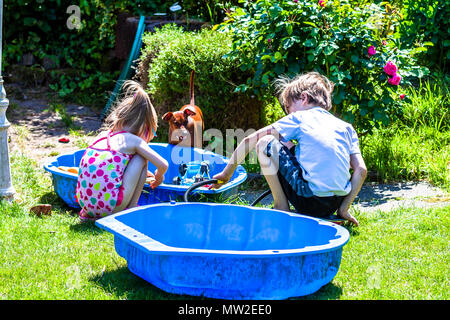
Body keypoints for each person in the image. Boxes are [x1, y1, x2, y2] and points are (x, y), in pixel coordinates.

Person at [211, 72, 366, 226]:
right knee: (286, 144)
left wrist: (226, 174)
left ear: (304, 98)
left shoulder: (300, 118)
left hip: (308, 199)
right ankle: (342, 210)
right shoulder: (346, 127)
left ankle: (281, 206)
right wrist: (344, 208)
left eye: (288, 108)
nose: (288, 113)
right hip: (334, 203)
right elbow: (361, 170)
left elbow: (249, 140)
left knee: (265, 142)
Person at [75, 80, 168, 221]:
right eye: (153, 132)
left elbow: (109, 169)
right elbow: (163, 165)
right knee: (142, 158)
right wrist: (159, 176)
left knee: (137, 159)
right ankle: (130, 210)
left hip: (85, 204)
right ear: (146, 127)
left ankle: (92, 214)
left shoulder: (102, 136)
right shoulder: (134, 141)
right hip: (110, 206)